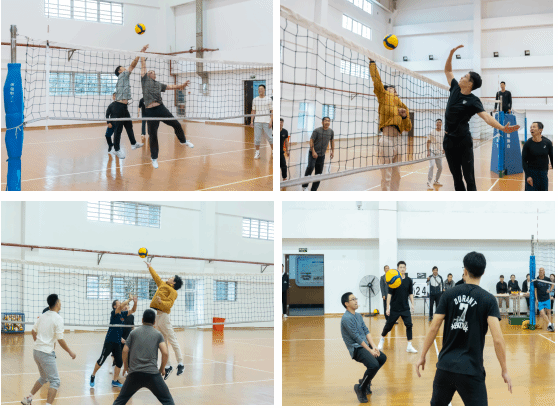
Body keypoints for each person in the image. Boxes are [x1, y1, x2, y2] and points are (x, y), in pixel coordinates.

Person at [415, 251, 512, 406]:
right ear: (483, 272)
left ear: (465, 271)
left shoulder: (448, 294)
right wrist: (504, 369)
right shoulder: (488, 299)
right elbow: (498, 339)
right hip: (471, 370)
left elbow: (434, 327)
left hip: (445, 368)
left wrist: (422, 356)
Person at [443, 45, 519, 191]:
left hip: (463, 142)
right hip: (448, 141)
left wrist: (502, 128)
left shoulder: (473, 101)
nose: (461, 77)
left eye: (465, 77)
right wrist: (451, 53)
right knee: (457, 179)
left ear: (470, 84)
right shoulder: (455, 87)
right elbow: (448, 71)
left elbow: (487, 118)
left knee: (469, 179)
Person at [140, 55, 194, 169]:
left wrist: (181, 85)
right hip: (150, 111)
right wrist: (142, 56)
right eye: (149, 72)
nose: (150, 73)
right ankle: (154, 158)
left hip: (160, 108)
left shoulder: (158, 84)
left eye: (152, 72)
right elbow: (143, 67)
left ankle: (183, 141)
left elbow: (170, 86)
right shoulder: (145, 81)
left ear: (154, 75)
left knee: (176, 124)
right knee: (153, 134)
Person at [21, 294, 76, 405]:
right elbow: (60, 339)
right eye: (60, 301)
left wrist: (38, 343)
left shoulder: (42, 316)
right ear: (57, 303)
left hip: (36, 351)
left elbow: (33, 331)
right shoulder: (58, 319)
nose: (61, 303)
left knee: (44, 377)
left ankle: (28, 398)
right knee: (55, 381)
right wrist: (70, 352)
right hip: (46, 353)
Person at [113, 309, 174, 405]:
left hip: (134, 375)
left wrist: (126, 367)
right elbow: (165, 353)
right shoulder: (158, 334)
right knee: (168, 401)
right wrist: (162, 369)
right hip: (152, 375)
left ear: (142, 320)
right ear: (154, 322)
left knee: (119, 401)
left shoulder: (133, 333)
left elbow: (124, 350)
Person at [369, 59, 412, 191]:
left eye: (394, 89)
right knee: (386, 174)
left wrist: (404, 116)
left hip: (398, 140)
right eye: (391, 88)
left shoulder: (402, 106)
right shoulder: (383, 97)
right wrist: (372, 63)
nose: (394, 90)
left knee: (397, 174)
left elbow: (408, 127)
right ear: (386, 91)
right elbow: (377, 81)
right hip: (386, 139)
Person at [340, 292, 387, 403]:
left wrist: (374, 347)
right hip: (356, 349)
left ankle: (365, 381)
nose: (356, 301)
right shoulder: (346, 318)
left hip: (364, 345)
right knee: (373, 365)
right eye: (353, 299)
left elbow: (366, 331)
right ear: (346, 304)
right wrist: (370, 350)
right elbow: (356, 337)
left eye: (355, 298)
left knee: (382, 358)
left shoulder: (358, 315)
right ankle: (360, 388)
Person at [145, 261, 185, 379]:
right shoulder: (162, 284)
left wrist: (161, 302)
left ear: (174, 282)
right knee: (163, 342)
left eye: (172, 277)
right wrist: (150, 267)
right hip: (157, 316)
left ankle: (180, 363)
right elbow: (156, 277)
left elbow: (169, 304)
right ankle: (168, 366)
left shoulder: (173, 292)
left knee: (172, 339)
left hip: (164, 316)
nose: (169, 277)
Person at [90, 295, 137, 388]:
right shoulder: (114, 313)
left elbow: (133, 310)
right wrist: (129, 299)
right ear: (115, 306)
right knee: (102, 359)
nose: (121, 304)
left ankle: (115, 381)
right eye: (119, 303)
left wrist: (135, 302)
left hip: (117, 343)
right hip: (109, 341)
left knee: (119, 362)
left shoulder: (123, 314)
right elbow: (121, 306)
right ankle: (93, 375)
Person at [111, 44, 148, 159]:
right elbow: (133, 65)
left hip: (124, 107)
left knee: (129, 125)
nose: (125, 68)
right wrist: (140, 53)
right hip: (118, 106)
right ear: (120, 71)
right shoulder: (123, 75)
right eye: (123, 67)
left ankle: (133, 143)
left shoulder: (123, 77)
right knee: (118, 129)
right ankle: (116, 149)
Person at [378, 261, 417, 353]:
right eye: (400, 267)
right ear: (398, 269)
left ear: (405, 268)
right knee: (388, 325)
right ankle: (382, 339)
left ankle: (409, 345)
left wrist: (412, 304)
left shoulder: (409, 280)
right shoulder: (394, 279)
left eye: (404, 267)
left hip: (405, 308)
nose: (402, 269)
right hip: (395, 308)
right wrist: (387, 308)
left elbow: (410, 293)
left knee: (409, 325)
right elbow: (389, 294)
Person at [301, 117, 335, 191]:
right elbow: (311, 140)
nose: (327, 122)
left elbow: (332, 141)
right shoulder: (317, 131)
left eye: (328, 121)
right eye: (325, 121)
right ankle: (304, 185)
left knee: (319, 173)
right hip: (313, 153)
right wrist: (313, 151)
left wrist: (332, 151)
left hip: (321, 155)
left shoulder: (331, 131)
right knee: (310, 167)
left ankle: (313, 190)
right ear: (322, 122)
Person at [522, 122, 553, 191]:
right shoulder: (527, 144)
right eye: (530, 127)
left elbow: (552, 157)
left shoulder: (547, 143)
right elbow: (524, 161)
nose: (531, 129)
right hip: (531, 174)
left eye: (534, 127)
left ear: (540, 130)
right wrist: (528, 176)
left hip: (543, 174)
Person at [110, 304, 135, 376]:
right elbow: (115, 328)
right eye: (124, 305)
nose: (126, 307)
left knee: (128, 354)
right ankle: (113, 365)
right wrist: (120, 337)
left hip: (128, 337)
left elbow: (132, 327)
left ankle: (127, 369)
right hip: (120, 337)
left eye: (127, 305)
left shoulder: (131, 316)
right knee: (118, 354)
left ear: (129, 307)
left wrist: (132, 336)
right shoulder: (119, 316)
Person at [250, 84, 273, 159]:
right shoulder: (255, 99)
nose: (260, 90)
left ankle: (273, 151)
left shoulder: (269, 99)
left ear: (264, 90)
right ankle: (257, 153)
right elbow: (253, 111)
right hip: (257, 121)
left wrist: (271, 121)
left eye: (261, 89)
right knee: (257, 138)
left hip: (266, 121)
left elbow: (272, 111)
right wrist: (251, 121)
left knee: (270, 138)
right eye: (259, 89)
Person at [533, 267, 554, 332]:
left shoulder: (547, 279)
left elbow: (553, 284)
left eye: (542, 270)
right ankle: (550, 324)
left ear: (544, 272)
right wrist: (536, 299)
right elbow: (535, 290)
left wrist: (550, 290)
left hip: (547, 298)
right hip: (540, 299)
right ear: (538, 272)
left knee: (548, 312)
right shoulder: (536, 280)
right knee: (542, 313)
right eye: (540, 270)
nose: (541, 271)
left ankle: (549, 326)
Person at [427, 119, 444, 189]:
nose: (439, 124)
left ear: (441, 124)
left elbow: (444, 141)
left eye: (440, 122)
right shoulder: (432, 132)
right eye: (437, 122)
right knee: (431, 166)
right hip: (432, 151)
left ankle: (436, 181)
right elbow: (428, 141)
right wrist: (428, 151)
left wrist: (444, 149)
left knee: (440, 167)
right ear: (435, 124)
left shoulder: (443, 132)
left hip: (439, 152)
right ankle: (429, 182)